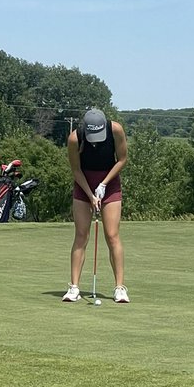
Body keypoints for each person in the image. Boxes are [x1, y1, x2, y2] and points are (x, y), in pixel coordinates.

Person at [63, 107, 129, 304]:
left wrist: (103, 184)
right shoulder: (75, 138)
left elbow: (122, 159)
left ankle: (119, 288)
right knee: (81, 234)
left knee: (112, 235)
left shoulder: (115, 130)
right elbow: (76, 170)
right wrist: (91, 194)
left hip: (109, 183)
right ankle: (74, 288)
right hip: (83, 183)